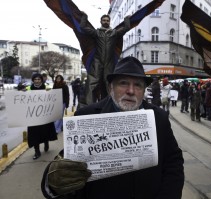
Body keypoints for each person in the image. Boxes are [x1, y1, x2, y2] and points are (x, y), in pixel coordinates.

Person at [41, 56, 184, 199]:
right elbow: (67, 165)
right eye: (123, 83)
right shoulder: (86, 116)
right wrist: (53, 181)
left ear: (143, 90)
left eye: (138, 85)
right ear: (111, 87)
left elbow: (173, 162)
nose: (131, 91)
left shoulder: (159, 117)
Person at [27, 73, 57, 160]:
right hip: (33, 116)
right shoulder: (28, 88)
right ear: (33, 80)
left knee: (45, 131)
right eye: (35, 79)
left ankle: (46, 142)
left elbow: (52, 99)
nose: (37, 81)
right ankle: (37, 151)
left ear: (41, 80)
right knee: (34, 134)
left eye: (38, 79)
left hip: (44, 115)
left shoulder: (47, 88)